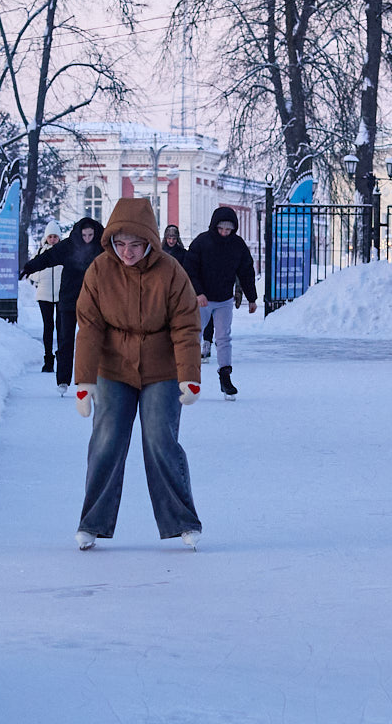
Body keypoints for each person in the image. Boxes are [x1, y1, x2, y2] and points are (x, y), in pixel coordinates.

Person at [71, 197, 203, 551]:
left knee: (160, 440)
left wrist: (189, 375)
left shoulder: (171, 272)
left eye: (135, 244)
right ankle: (92, 523)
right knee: (106, 441)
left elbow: (186, 326)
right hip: (113, 369)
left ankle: (183, 521)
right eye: (120, 243)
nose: (126, 252)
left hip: (161, 370)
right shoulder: (100, 271)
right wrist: (83, 381)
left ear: (150, 241)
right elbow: (89, 328)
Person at [19, 216, 104, 393]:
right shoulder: (69, 246)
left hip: (92, 302)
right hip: (68, 300)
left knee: (91, 340)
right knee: (65, 340)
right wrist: (28, 268)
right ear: (79, 234)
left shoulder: (101, 248)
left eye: (90, 235)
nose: (87, 239)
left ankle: (91, 379)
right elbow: (48, 257)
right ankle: (63, 380)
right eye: (84, 235)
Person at [185, 206, 258, 397]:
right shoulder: (202, 242)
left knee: (224, 337)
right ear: (214, 226)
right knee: (194, 336)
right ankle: (189, 378)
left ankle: (225, 377)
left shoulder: (237, 245)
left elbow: (246, 271)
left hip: (224, 299)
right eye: (221, 229)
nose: (225, 233)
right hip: (202, 300)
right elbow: (190, 269)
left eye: (229, 229)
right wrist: (198, 293)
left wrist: (252, 298)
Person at [29, 221, 63, 372]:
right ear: (46, 237)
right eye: (50, 236)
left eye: (55, 236)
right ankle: (48, 359)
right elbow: (32, 270)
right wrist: (40, 277)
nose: (53, 239)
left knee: (62, 328)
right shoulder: (40, 252)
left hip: (62, 295)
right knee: (48, 327)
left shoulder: (65, 251)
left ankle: (62, 358)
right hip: (44, 295)